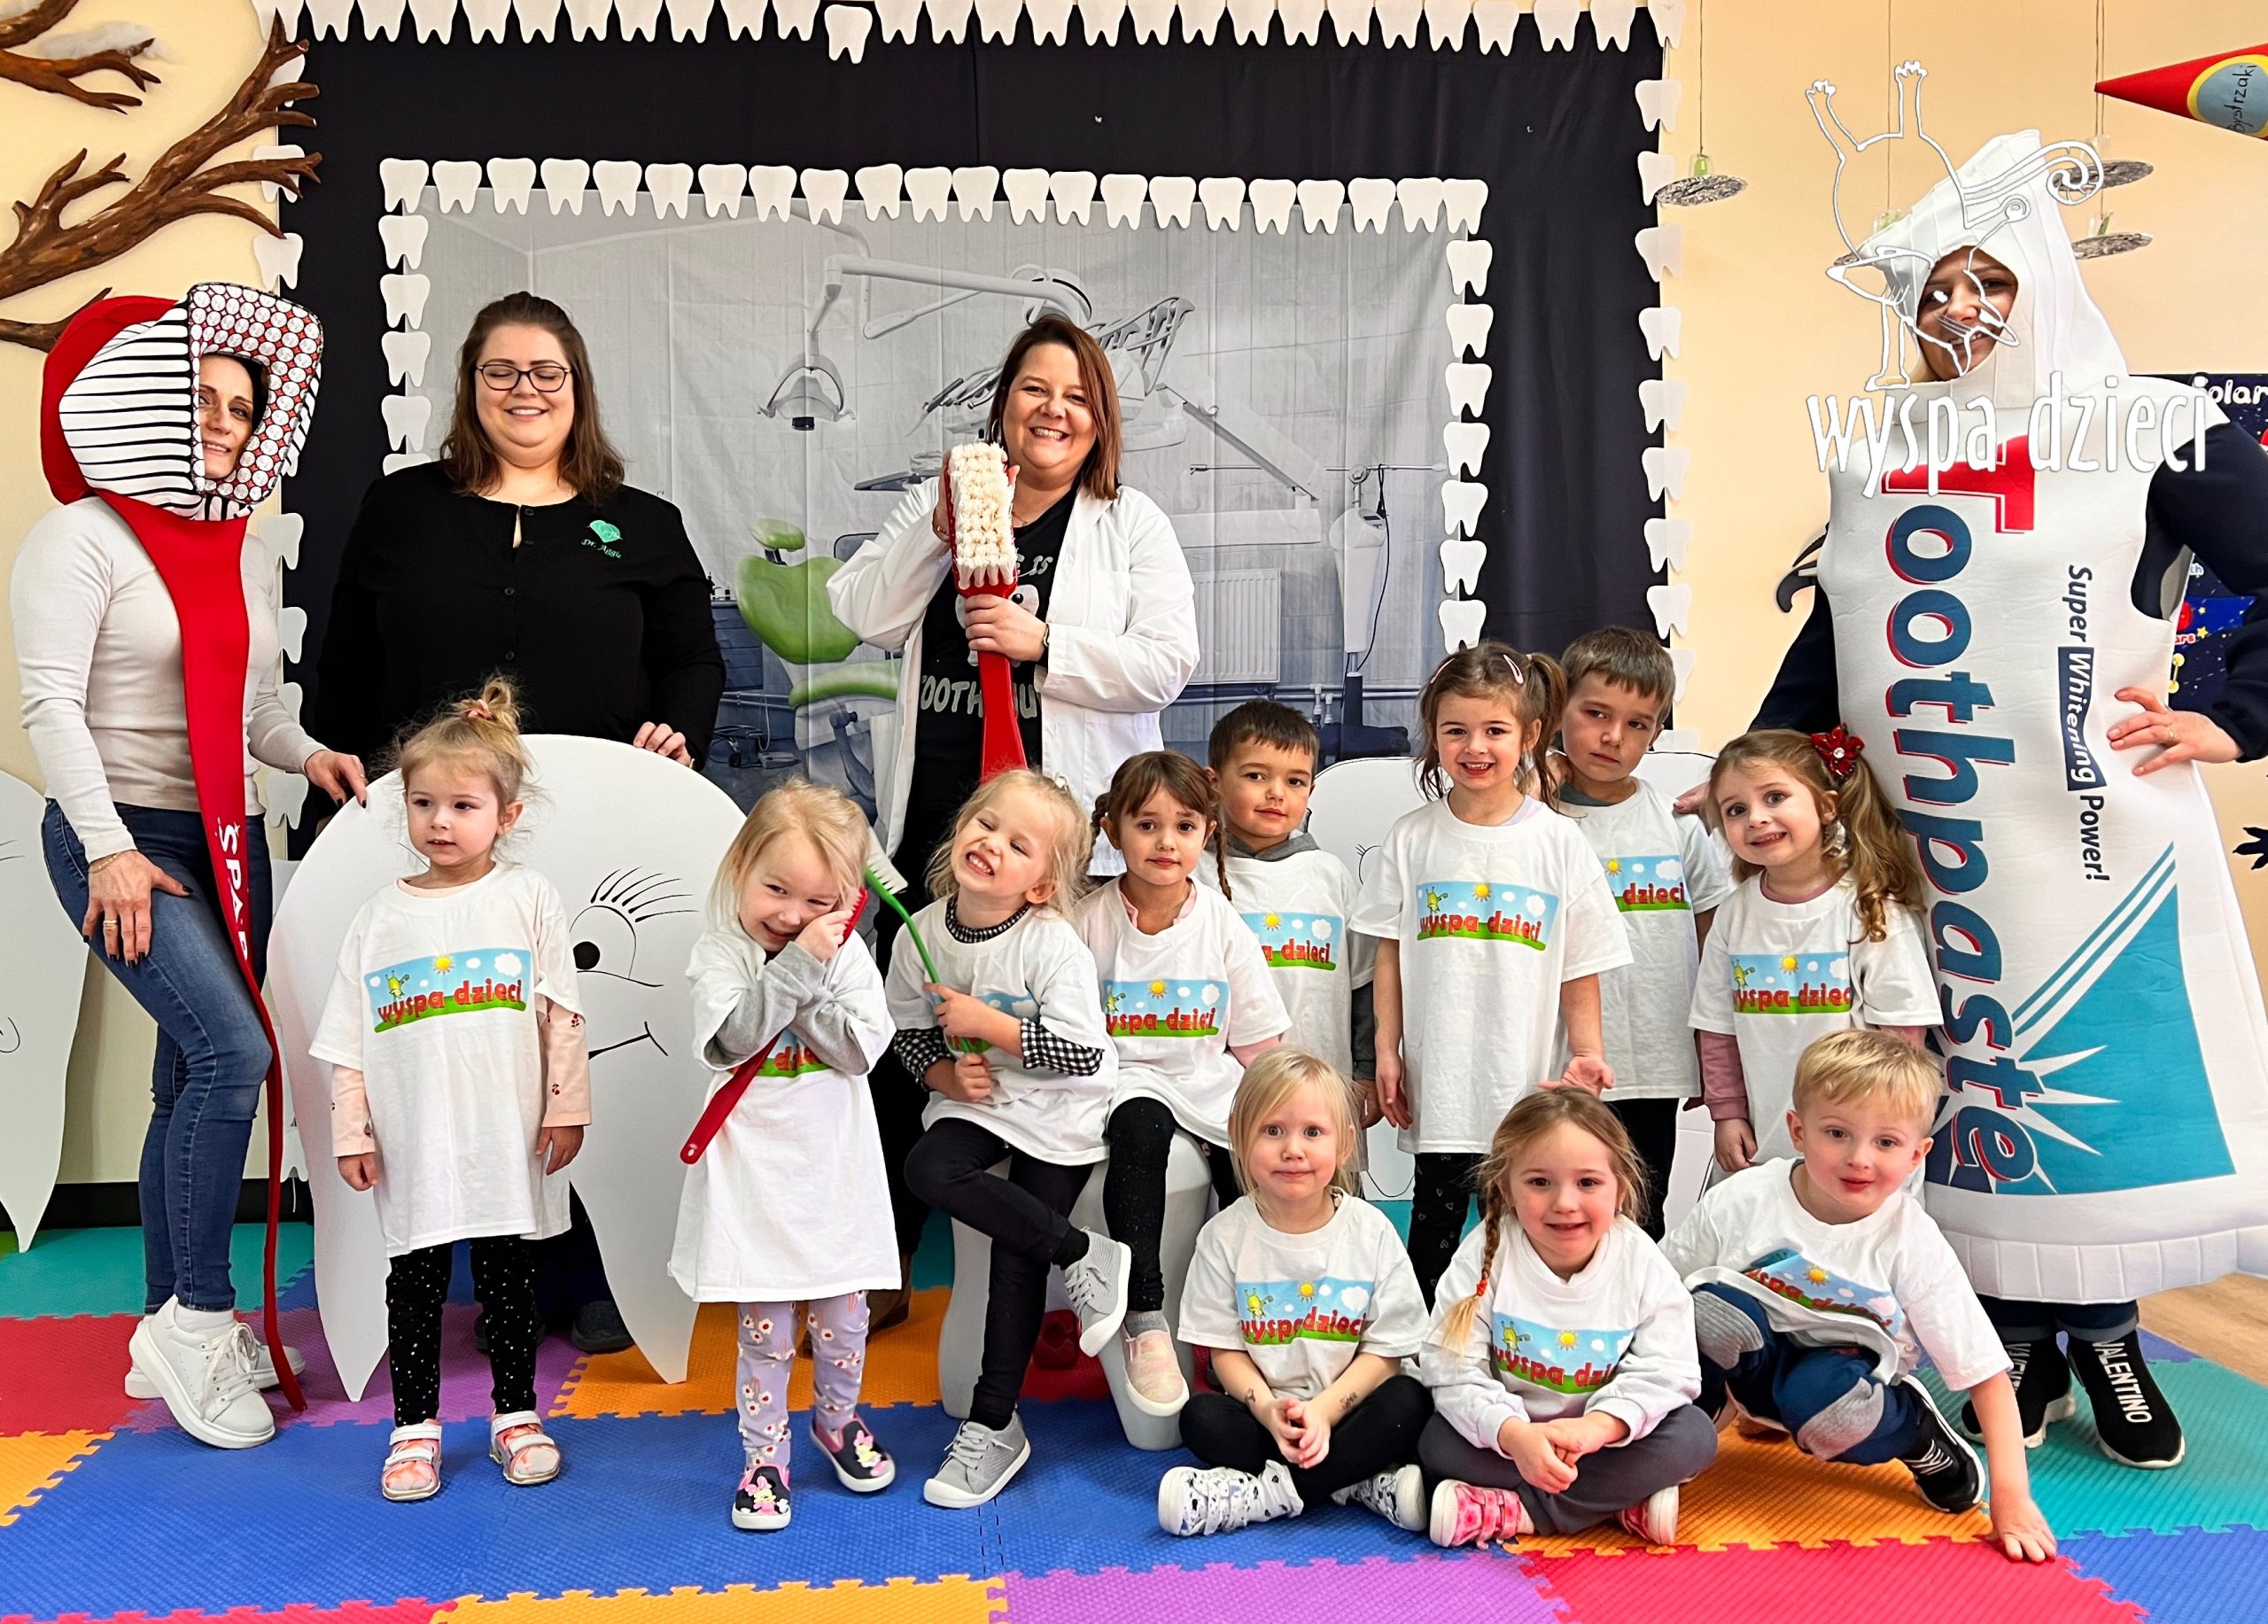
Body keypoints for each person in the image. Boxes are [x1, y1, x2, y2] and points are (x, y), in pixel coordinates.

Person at [1709, 126, 2268, 1471]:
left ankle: (2111, 1338)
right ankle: (2011, 1334)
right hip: (1925, 842)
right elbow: (1840, 629)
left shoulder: (2148, 425)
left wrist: (2234, 714)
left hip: (2089, 845)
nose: (1962, 311)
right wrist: (1755, 770)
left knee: (2096, 1092)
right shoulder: (1880, 447)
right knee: (1956, 1093)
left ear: (2045, 285)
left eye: (1991, 282)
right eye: (1937, 290)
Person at [314, 290, 725, 1356]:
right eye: (500, 371)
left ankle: (586, 1264)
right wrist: (344, 783)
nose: (524, 390)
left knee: (571, 1032)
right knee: (459, 1032)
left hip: (596, 836)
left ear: (577, 386)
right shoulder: (402, 510)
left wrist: (678, 731)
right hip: (436, 833)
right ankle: (476, 1259)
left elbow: (691, 659)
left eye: (547, 371)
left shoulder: (640, 522)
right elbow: (347, 660)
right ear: (469, 386)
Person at [14, 286, 364, 1450]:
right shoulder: (81, 537)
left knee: (186, 1077)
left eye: (240, 406)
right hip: (120, 838)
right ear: (143, 403)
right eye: (199, 397)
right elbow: (50, 706)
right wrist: (107, 849)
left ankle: (167, 1318)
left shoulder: (240, 547)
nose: (222, 420)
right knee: (233, 1053)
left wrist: (309, 755)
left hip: (223, 838)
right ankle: (204, 1319)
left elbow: (256, 709)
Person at [829, 316, 1200, 1322]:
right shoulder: (942, 500)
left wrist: (1048, 643)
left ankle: (1046, 1268)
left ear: (1101, 420)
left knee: (1047, 1024)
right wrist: (939, 525)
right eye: (1036, 389)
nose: (1054, 411)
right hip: (947, 815)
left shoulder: (1130, 522)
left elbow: (1168, 661)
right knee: (910, 1022)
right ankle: (883, 1257)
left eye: (1078, 397)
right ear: (1002, 405)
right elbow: (863, 610)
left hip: (1052, 830)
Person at [314, 680, 586, 1500]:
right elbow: (347, 1040)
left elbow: (562, 1014)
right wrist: (353, 1131)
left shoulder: (528, 897)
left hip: (503, 1137)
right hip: (415, 1143)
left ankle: (516, 1416)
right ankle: (414, 1429)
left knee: (508, 1284)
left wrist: (567, 1106)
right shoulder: (378, 919)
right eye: (423, 802)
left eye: (463, 805)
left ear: (506, 815)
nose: (440, 821)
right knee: (416, 1288)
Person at [1660, 1031, 2058, 1563]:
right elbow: (1656, 1295)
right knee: (1707, 1305)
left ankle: (1915, 1432)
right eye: (1837, 1133)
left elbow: (1985, 1371)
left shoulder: (1909, 1239)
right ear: (1797, 1131)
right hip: (1754, 1357)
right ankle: (1698, 1425)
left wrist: (2012, 1499)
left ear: (1917, 1155)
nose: (1859, 1158)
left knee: (1826, 1410)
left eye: (1886, 1143)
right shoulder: (1743, 1199)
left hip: (1844, 1379)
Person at [1350, 643, 1630, 1303]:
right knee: (1434, 1238)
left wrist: (1587, 1052)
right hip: (1442, 1086)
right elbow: (1388, 952)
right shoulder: (1411, 837)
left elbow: (1581, 962)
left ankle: (1524, 1344)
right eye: (1456, 731)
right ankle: (1422, 1352)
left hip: (1527, 1089)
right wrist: (1387, 1050)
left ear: (1529, 735)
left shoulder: (1558, 842)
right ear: (1434, 736)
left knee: (1528, 1241)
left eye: (1495, 730)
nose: (1475, 747)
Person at [893, 770, 1131, 1509]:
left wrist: (989, 1026)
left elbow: (1083, 1054)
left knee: (1014, 1254)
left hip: (1059, 1107)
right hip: (984, 1102)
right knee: (929, 1168)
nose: (992, 843)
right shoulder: (919, 933)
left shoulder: (1052, 943)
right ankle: (1082, 1251)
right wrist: (942, 1074)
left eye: (1019, 844)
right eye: (986, 824)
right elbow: (907, 1031)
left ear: (1041, 885)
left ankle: (994, 1421)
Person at [668, 780, 898, 1532]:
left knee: (846, 1324)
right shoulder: (720, 953)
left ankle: (837, 1419)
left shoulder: (848, 956)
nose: (794, 915)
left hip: (833, 1178)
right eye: (776, 889)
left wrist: (809, 972)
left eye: (819, 902)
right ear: (741, 867)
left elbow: (858, 1050)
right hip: (754, 1181)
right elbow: (733, 1038)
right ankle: (764, 1457)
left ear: (848, 902)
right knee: (765, 1334)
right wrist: (799, 967)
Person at [1079, 751, 1292, 1417]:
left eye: (1184, 826)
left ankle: (1257, 1331)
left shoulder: (1221, 921)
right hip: (1124, 1080)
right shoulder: (1089, 921)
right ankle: (1146, 1316)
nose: (1165, 842)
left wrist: (1280, 1115)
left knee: (1252, 1175)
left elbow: (1258, 1040)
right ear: (1113, 830)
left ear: (1207, 831)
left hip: (1207, 1083)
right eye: (1147, 825)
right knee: (1140, 1129)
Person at [1418, 1088, 1716, 1549]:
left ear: (1620, 1188)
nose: (1565, 1203)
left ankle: (1519, 1511)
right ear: (1506, 1189)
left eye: (1588, 1183)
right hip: (1512, 1439)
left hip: (1603, 1441)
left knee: (1694, 1436)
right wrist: (1515, 1436)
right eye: (1540, 1182)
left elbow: (1668, 1371)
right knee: (1436, 1441)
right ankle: (1616, 1502)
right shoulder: (1485, 1255)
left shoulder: (1640, 1260)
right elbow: (1452, 1369)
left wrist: (1597, 1427)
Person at [1160, 1047, 1431, 1537]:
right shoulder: (1223, 1237)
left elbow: (1388, 1354)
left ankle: (1269, 1495)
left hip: (1349, 1407)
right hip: (1270, 1416)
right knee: (1200, 1417)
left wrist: (1324, 1413)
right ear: (1239, 1137)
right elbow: (1224, 1353)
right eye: (1272, 1130)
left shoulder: (1371, 1231)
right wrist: (1268, 1410)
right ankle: (1356, 1482)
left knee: (1410, 1401)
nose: (1293, 1150)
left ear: (1344, 1145)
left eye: (1313, 1132)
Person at [1689, 730, 1938, 1178]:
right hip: (1762, 1146)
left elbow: (1902, 1041)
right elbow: (1718, 1028)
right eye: (1736, 810)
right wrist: (1726, 1113)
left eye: (1775, 797)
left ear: (1826, 807)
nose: (1756, 818)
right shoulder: (1733, 914)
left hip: (1859, 1152)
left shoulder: (1870, 910)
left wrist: (1877, 1135)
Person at [1549, 628, 1731, 1236]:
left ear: (1656, 733)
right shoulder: (1535, 821)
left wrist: (1712, 1050)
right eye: (1596, 714)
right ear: (1559, 709)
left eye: (1637, 724)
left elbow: (1714, 940)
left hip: (1655, 1056)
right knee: (1560, 1207)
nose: (1613, 737)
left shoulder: (1676, 824)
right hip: (1561, 1060)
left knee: (1642, 1214)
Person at [1203, 701, 1376, 1097]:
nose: (1276, 793)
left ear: (1311, 790)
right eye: (1255, 776)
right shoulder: (1194, 878)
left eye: (1295, 781)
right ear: (1214, 782)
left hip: (1321, 1089)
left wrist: (1366, 1070)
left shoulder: (1330, 876)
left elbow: (1363, 984)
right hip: (1220, 1096)